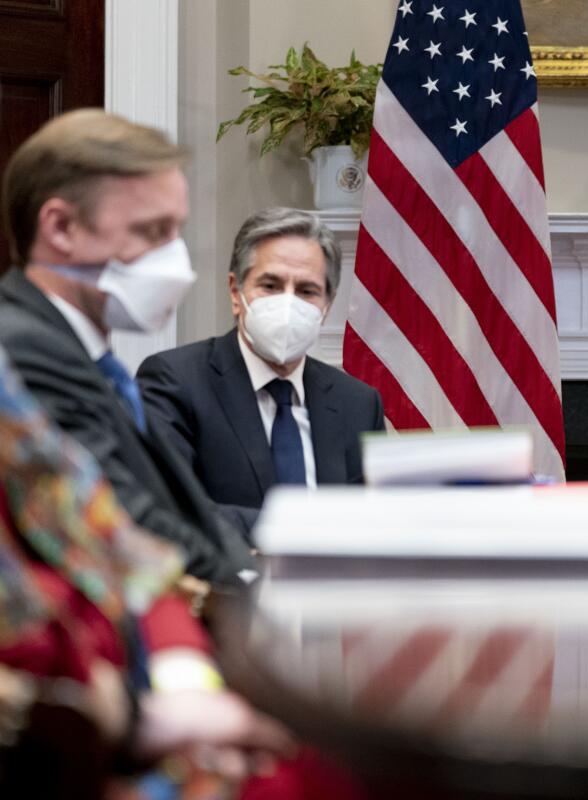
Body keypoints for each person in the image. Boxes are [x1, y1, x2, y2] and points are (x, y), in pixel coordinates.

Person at [0, 344, 294, 798]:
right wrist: (141, 721)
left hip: (155, 707)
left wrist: (188, 682)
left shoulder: (10, 404)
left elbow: (128, 556)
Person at [0, 109, 255, 586]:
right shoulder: (22, 351)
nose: (175, 260)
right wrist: (248, 588)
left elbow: (184, 509)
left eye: (175, 231)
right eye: (152, 231)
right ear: (60, 228)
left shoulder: (85, 354)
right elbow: (123, 516)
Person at [137, 208, 385, 536]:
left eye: (307, 291)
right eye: (270, 285)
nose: (288, 303)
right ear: (235, 292)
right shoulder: (175, 381)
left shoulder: (358, 403)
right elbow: (170, 509)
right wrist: (304, 529)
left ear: (327, 305)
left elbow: (376, 521)